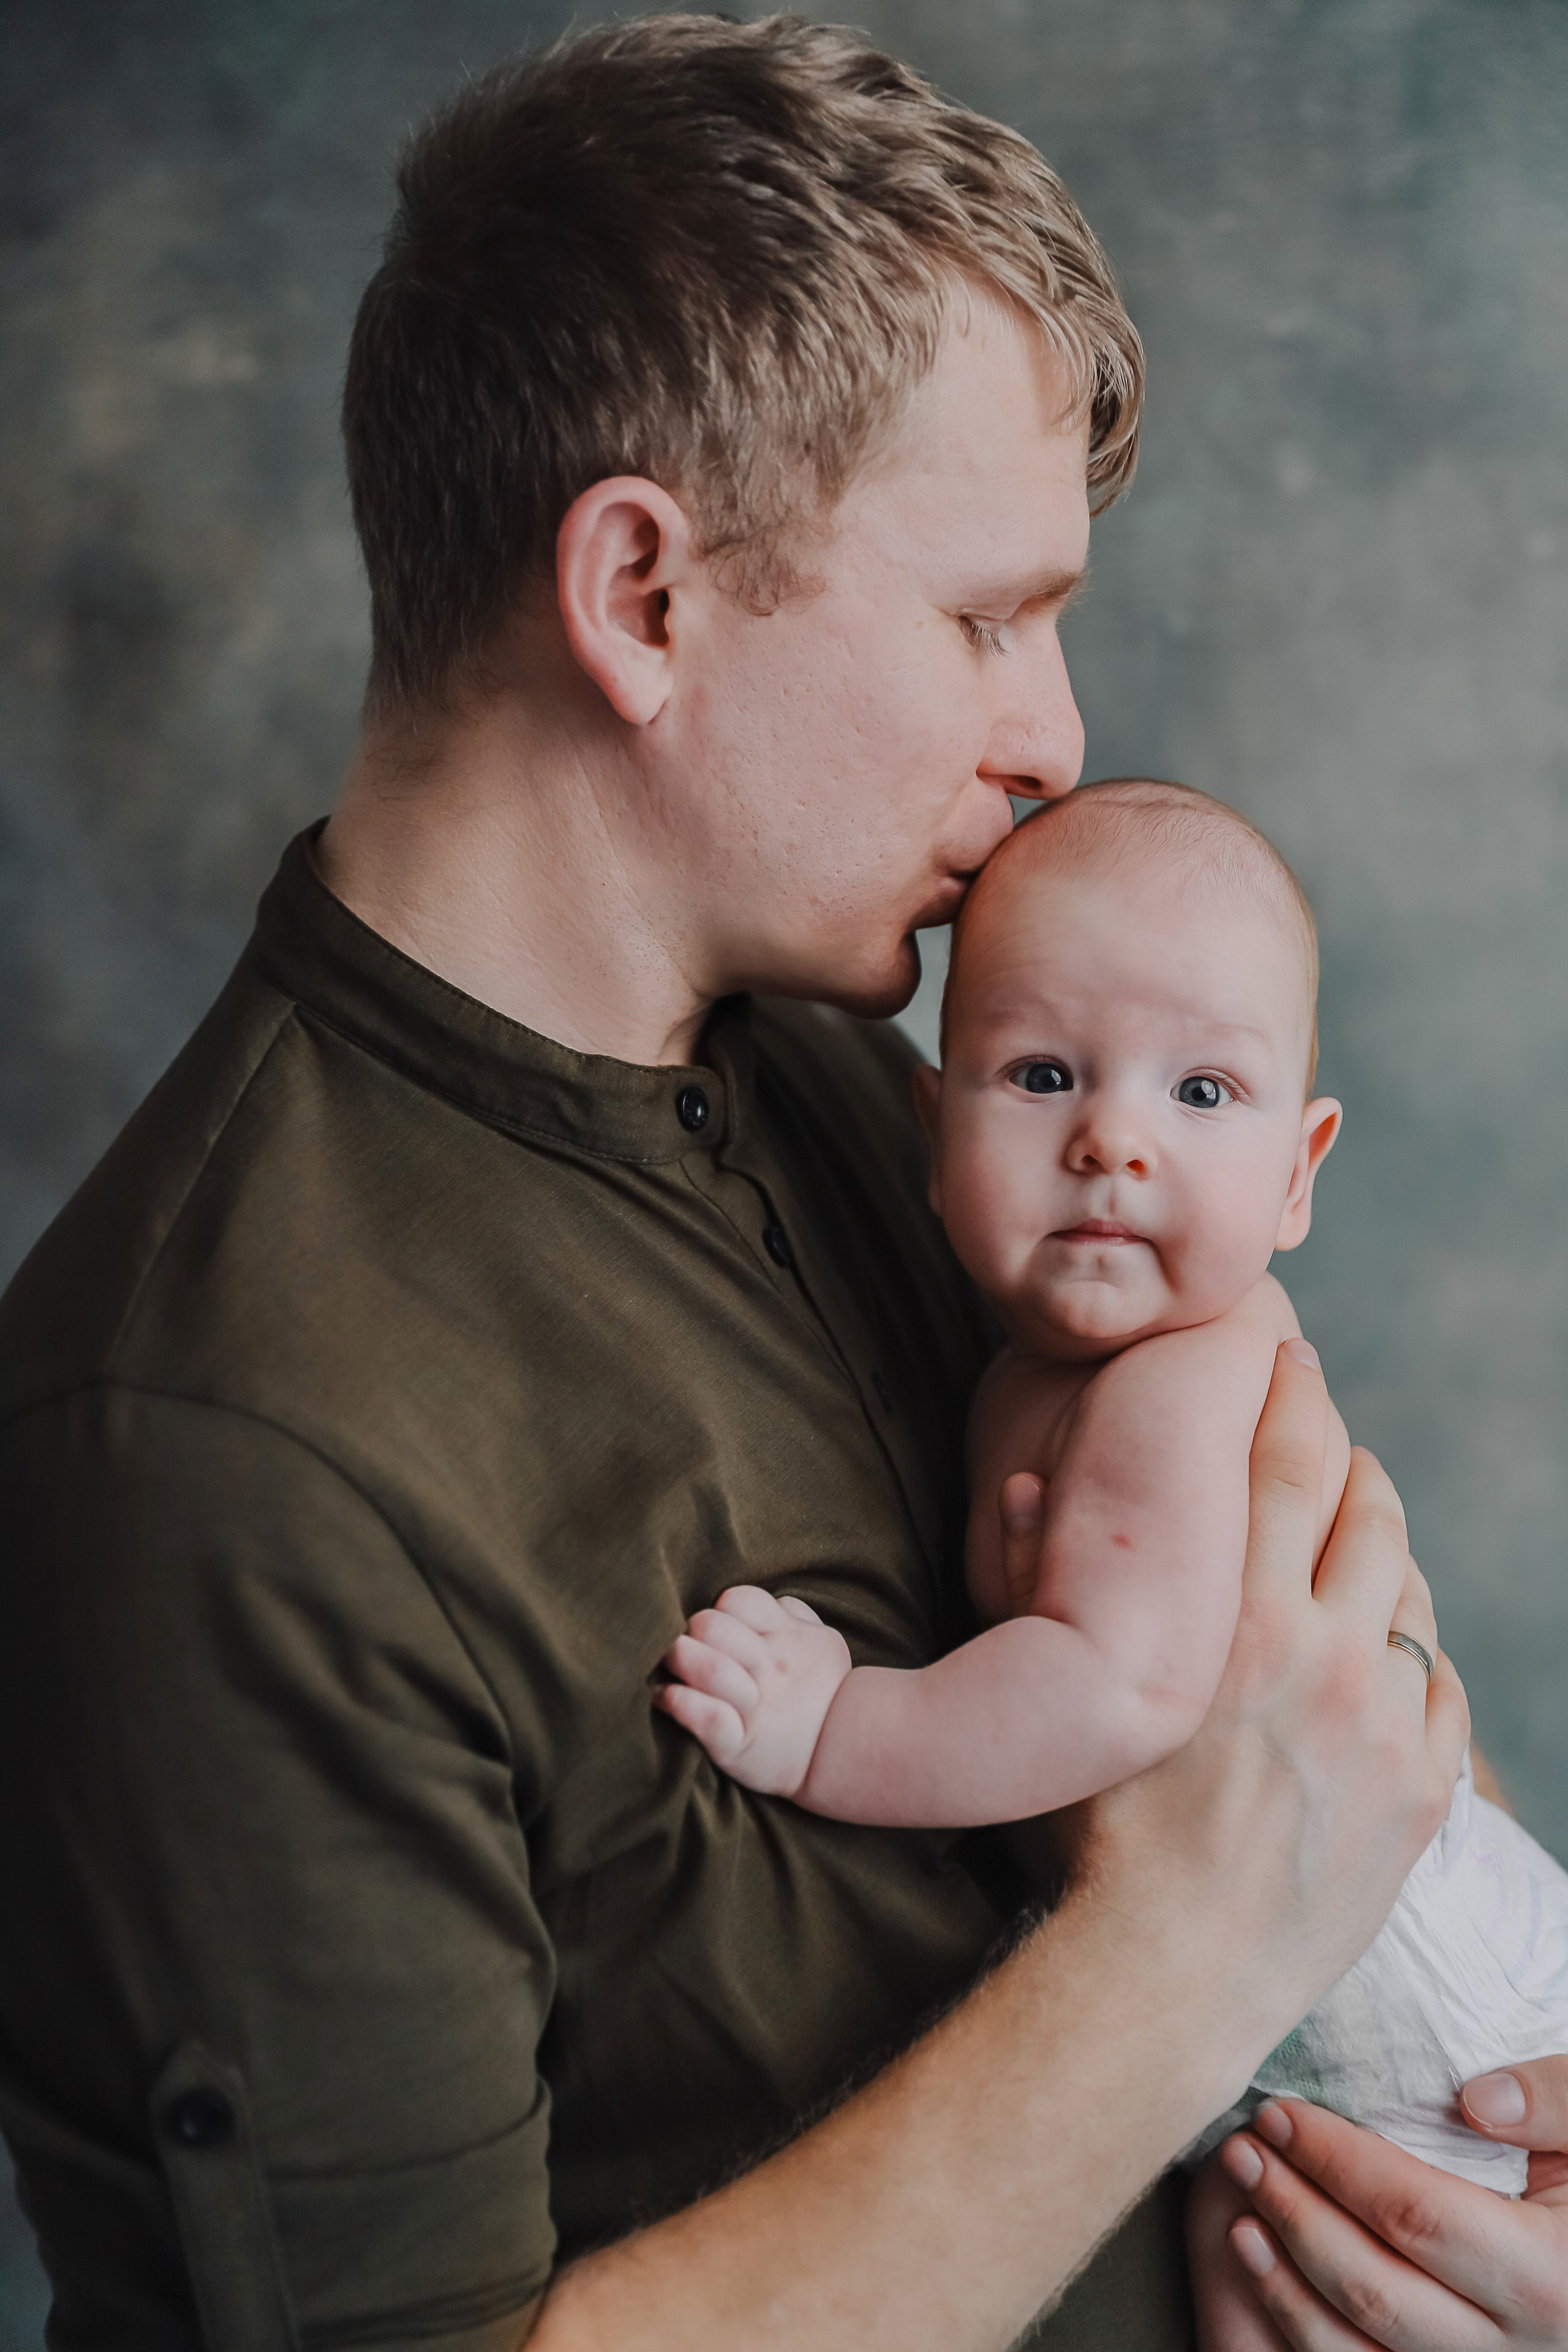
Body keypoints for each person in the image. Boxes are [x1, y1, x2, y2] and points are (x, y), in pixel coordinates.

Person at [0, 16, 1554, 2350]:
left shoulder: (878, 1076)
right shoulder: (207, 1451)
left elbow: (1305, 1671)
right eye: (985, 618)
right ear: (640, 593)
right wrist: (1192, 1957)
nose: (1058, 737)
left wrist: (1495, 2152)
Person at [658, 777, 1568, 2346]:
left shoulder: (1175, 1382)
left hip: (1436, 2021)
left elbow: (1116, 1688)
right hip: (1328, 1980)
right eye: (1039, 1073)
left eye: (1201, 1095)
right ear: (936, 1133)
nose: (1111, 1142)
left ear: (1299, 1169)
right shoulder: (1054, 1360)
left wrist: (831, 1728)